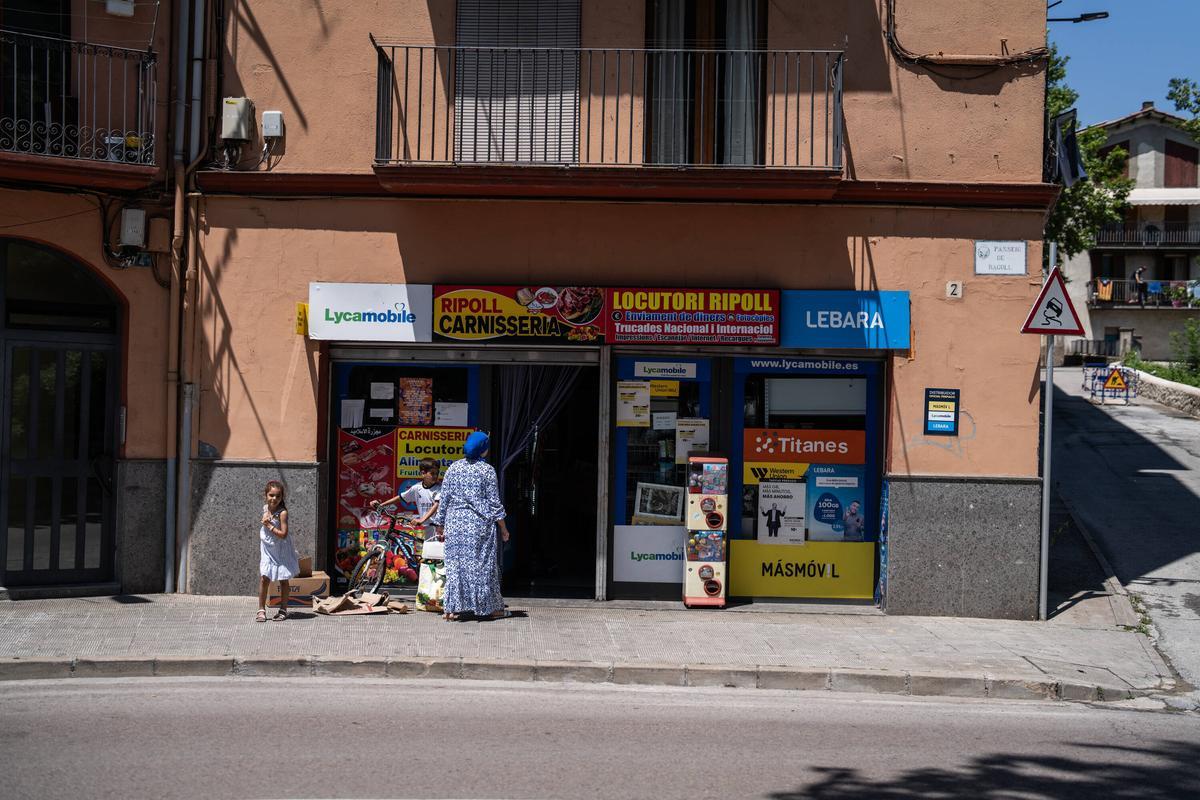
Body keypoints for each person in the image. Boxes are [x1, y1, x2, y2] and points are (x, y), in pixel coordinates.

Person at [431, 431, 512, 621]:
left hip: (455, 524)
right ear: (483, 449)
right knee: (483, 567)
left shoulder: (453, 468)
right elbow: (494, 503)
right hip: (478, 527)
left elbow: (445, 499)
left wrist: (440, 523)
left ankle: (450, 610)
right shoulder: (486, 470)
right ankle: (489, 609)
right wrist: (503, 528)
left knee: (455, 566)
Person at [257, 480, 299, 622]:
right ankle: (261, 609)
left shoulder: (283, 513)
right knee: (264, 577)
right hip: (267, 548)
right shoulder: (265, 508)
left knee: (283, 578)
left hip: (280, 548)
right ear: (265, 495)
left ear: (282, 498)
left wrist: (269, 525)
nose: (274, 499)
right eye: (271, 495)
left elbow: (283, 534)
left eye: (278, 496)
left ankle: (283, 609)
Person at [370, 457, 441, 527]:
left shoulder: (440, 488)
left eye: (437, 473)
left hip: (439, 527)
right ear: (423, 473)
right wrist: (381, 505)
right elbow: (400, 497)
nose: (435, 476)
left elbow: (436, 505)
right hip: (425, 527)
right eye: (432, 473)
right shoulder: (417, 488)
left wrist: (421, 520)